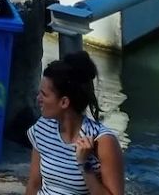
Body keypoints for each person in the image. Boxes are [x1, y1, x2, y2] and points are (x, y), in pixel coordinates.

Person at [25, 50, 124, 195]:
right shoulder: (41, 128)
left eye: (44, 94)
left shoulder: (103, 142)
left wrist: (84, 165)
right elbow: (34, 185)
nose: (38, 98)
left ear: (64, 102)